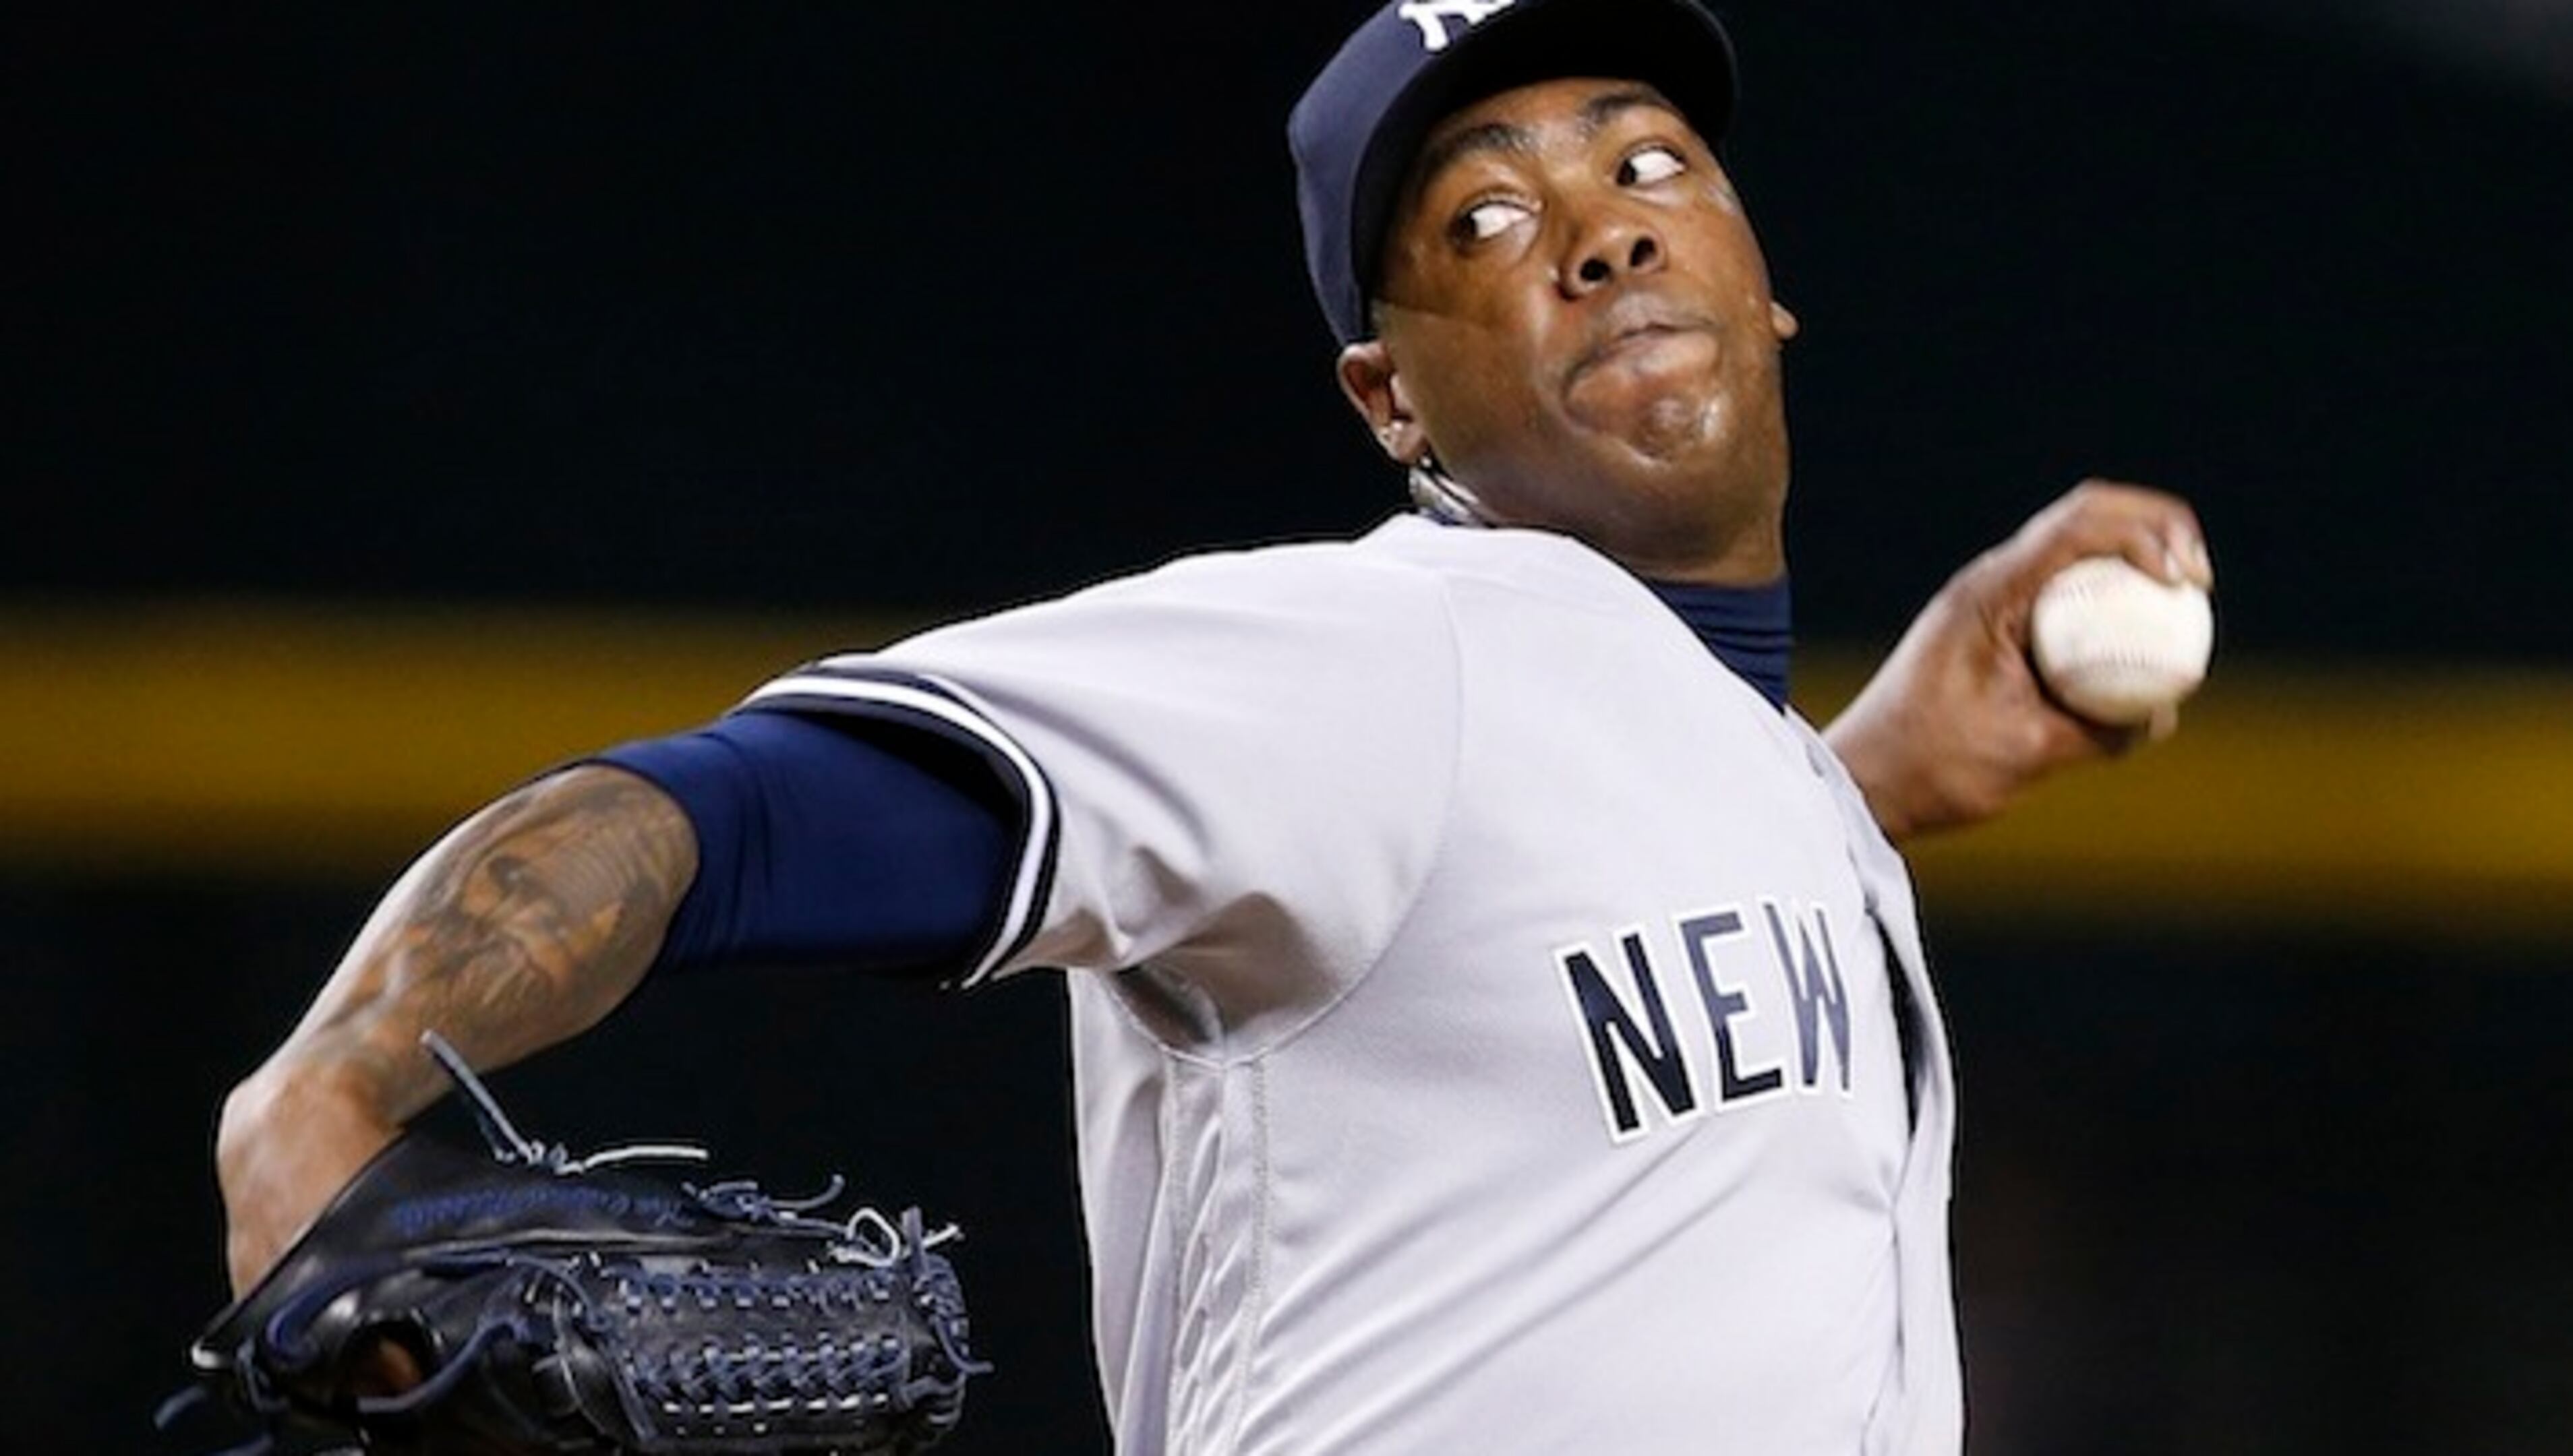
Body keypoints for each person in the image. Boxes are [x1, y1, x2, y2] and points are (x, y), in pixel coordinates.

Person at [212, 1, 2213, 1451]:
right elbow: (724, 816)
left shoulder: (1755, 787)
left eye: (1648, 161)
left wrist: (1850, 780)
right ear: (1387, 399)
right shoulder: (1364, 660)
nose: (1599, 227)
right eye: (1484, 224)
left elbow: (1572, 932)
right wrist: (324, 1095)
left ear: (1769, 288)